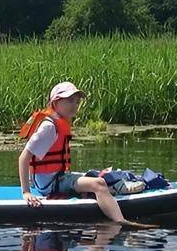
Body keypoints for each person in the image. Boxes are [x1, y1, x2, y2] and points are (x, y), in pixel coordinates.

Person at [18, 81, 156, 228]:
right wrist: (26, 192)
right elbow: (23, 157)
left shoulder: (58, 122)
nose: (75, 105)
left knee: (95, 175)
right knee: (99, 183)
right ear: (55, 103)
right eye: (70, 101)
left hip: (57, 177)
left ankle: (107, 192)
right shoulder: (49, 127)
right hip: (50, 184)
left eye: (77, 102)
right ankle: (121, 221)